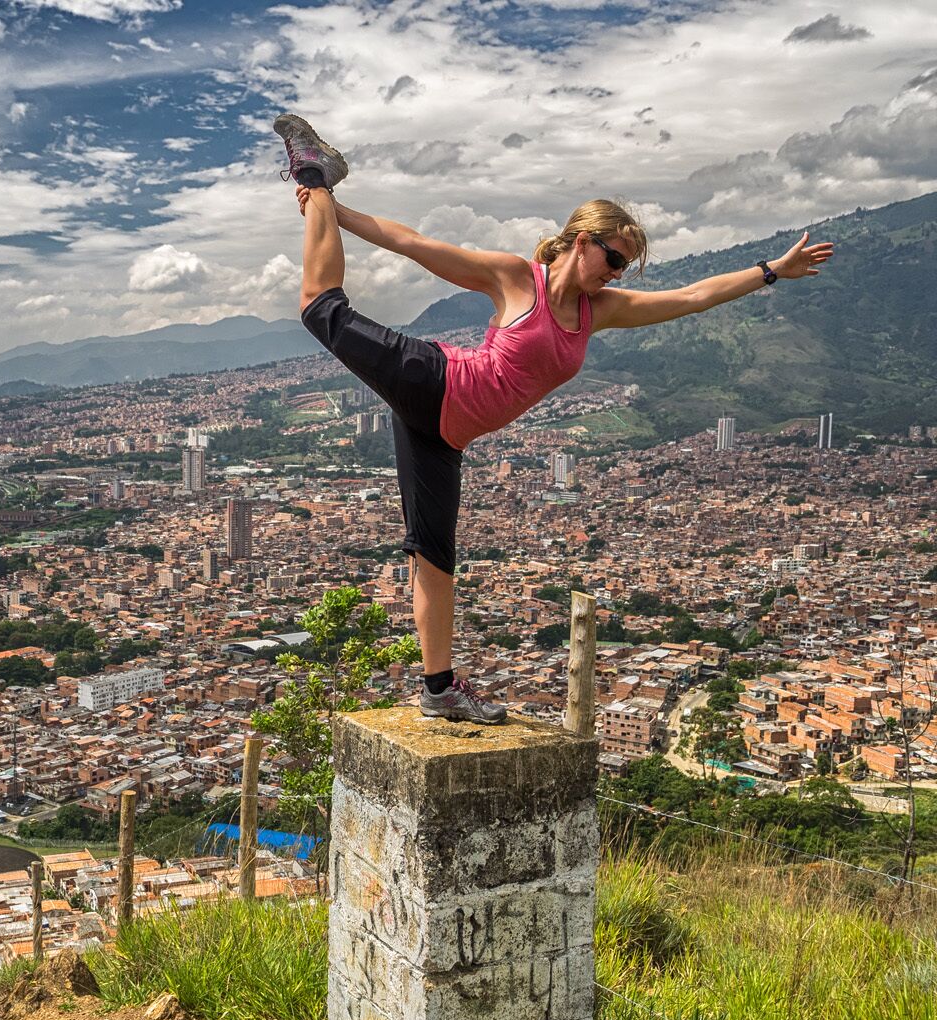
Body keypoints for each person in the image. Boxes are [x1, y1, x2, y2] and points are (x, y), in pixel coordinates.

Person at [273, 113, 833, 724]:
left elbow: (692, 297)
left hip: (443, 433)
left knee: (434, 555)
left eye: (623, 267)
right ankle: (311, 168)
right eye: (612, 257)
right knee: (319, 307)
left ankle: (438, 689)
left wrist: (772, 271)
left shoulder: (603, 310)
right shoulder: (516, 278)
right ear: (580, 239)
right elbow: (413, 243)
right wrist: (329, 205)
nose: (615, 273)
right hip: (433, 381)